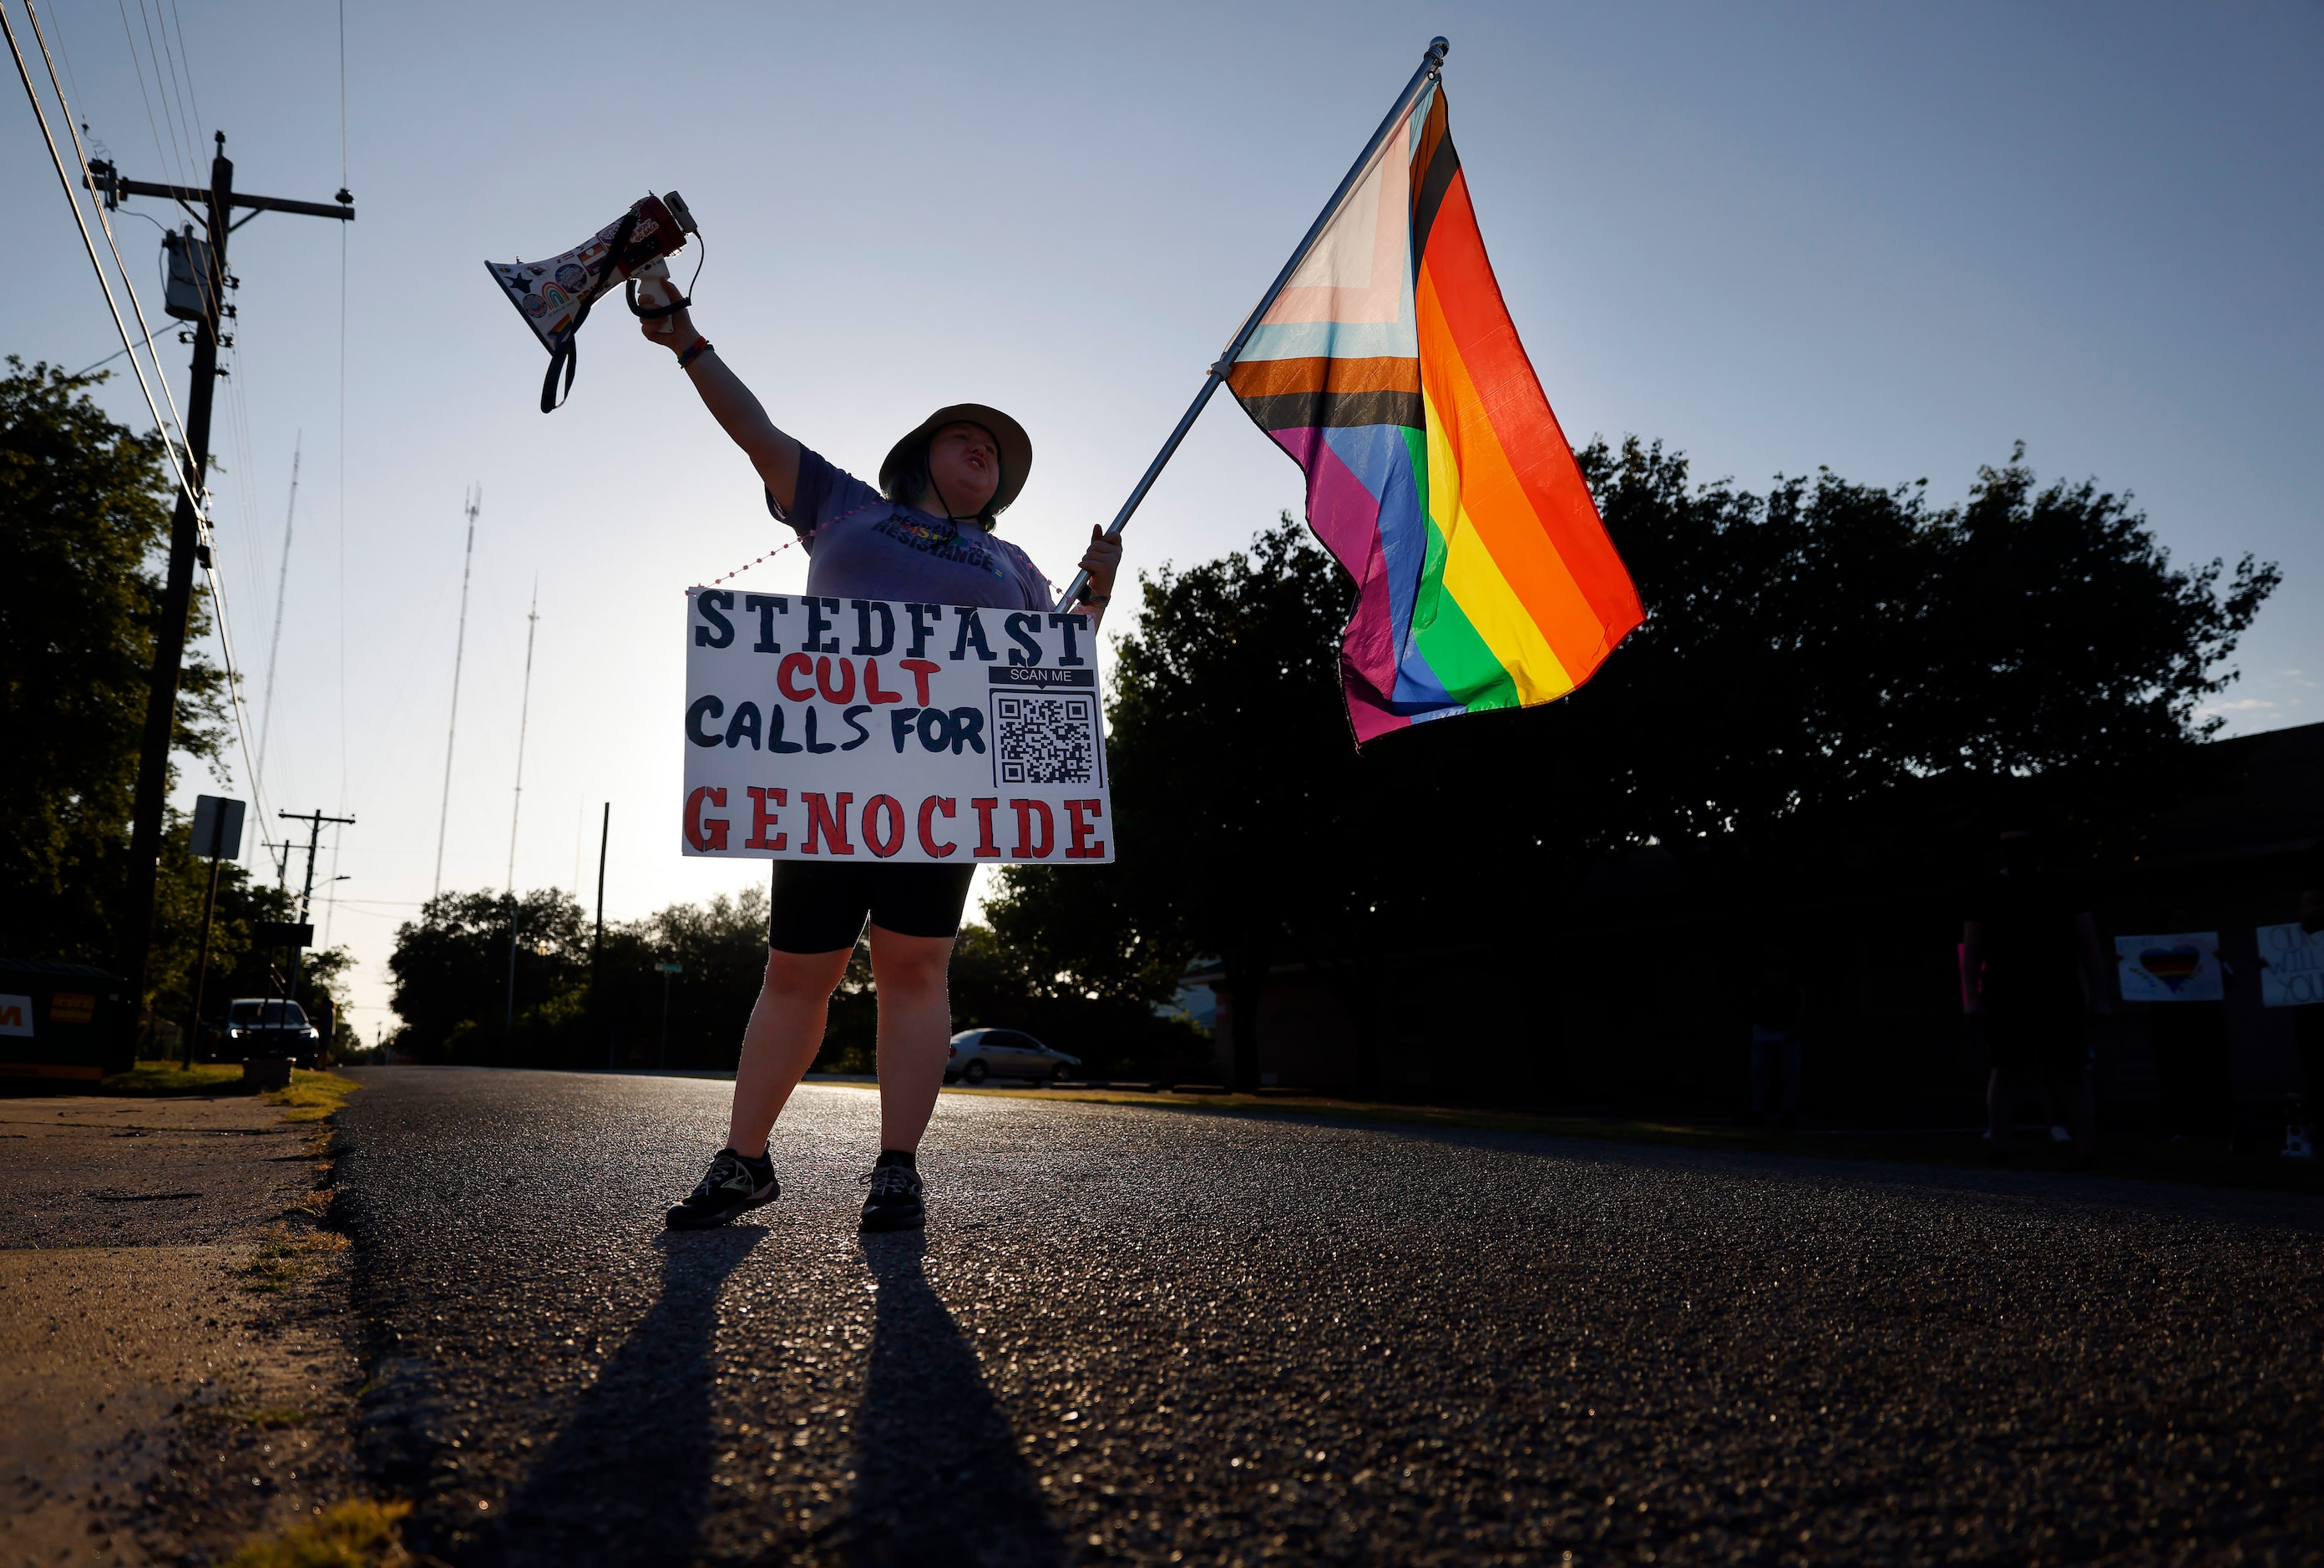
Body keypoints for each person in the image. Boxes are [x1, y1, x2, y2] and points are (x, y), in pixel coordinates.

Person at [645, 307, 1122, 1232]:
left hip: (942, 789)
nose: (982, 449)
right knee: (796, 971)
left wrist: (1093, 597)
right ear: (920, 455)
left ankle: (896, 1167)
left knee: (916, 968)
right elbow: (755, 430)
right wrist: (685, 342)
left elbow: (1049, 675)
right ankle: (744, 1163)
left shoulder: (1015, 563)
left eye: (995, 449)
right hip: (826, 780)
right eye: (965, 436)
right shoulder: (846, 506)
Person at [1961, 829, 2112, 1161]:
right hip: (2006, 992)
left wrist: (2099, 995)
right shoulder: (1986, 890)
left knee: (2072, 1067)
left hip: (2057, 989)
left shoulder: (2062, 886)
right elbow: (1971, 951)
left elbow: (2089, 945)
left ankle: (2088, 1149)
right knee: (2005, 1068)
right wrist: (1971, 997)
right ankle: (1999, 1147)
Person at [1746, 940, 1805, 1126]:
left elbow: (1802, 998)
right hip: (1764, 1026)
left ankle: (1788, 1111)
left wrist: (1796, 1025)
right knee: (1760, 1071)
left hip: (1785, 1028)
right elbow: (1755, 996)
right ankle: (1758, 1109)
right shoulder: (1761, 972)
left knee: (1789, 1072)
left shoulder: (1793, 972)